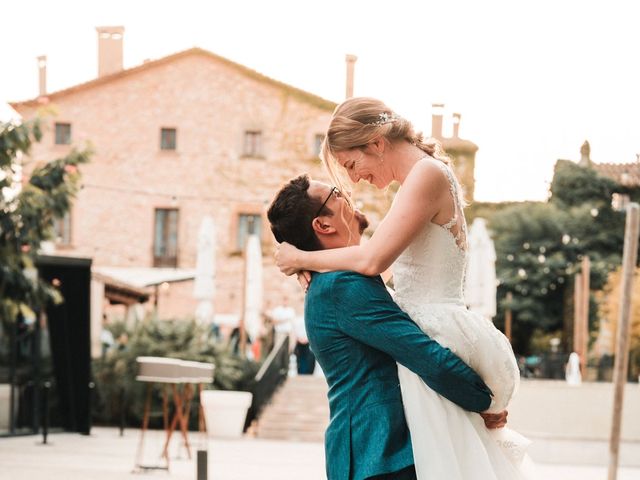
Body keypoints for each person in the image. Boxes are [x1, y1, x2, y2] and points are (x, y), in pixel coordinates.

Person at [274, 98, 534, 479]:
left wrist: (301, 258)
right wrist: (481, 399)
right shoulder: (342, 283)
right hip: (378, 446)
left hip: (431, 347)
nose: (353, 181)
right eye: (343, 177)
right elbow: (374, 266)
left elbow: (372, 260)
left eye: (351, 165)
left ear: (377, 144)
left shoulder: (426, 175)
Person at [268, 175, 507, 480]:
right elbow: (423, 354)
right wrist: (485, 402)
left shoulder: (335, 279)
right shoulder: (342, 285)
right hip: (380, 454)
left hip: (378, 454)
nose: (349, 194)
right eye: (337, 194)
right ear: (323, 225)